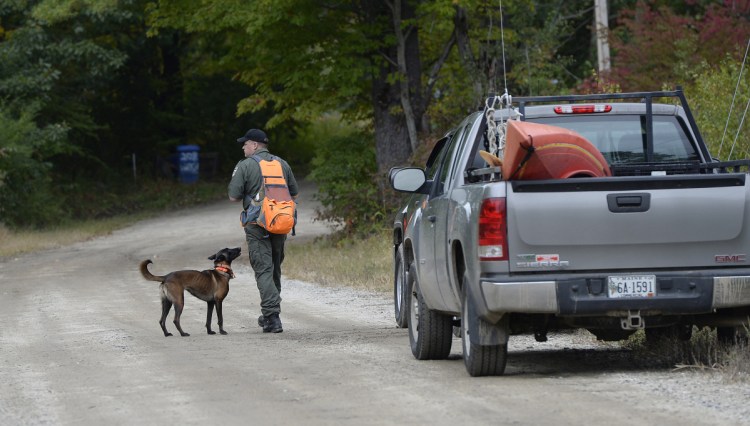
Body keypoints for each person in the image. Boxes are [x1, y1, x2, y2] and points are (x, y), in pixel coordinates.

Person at [228, 128, 298, 333]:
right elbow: (294, 193)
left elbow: (233, 196)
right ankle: (271, 311)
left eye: (245, 143)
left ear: (255, 145)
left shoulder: (246, 165)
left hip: (256, 224)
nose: (243, 147)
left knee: (263, 268)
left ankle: (271, 317)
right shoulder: (282, 163)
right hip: (280, 222)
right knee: (274, 266)